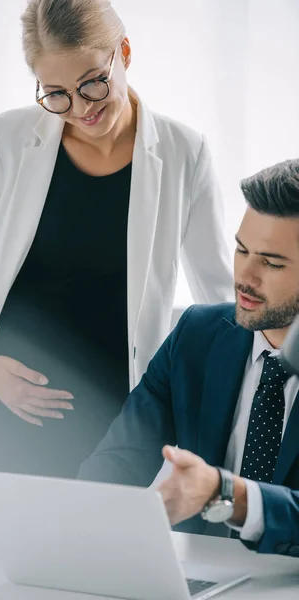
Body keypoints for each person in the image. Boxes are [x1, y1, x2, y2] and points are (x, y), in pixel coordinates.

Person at [0, 0, 232, 508]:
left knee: (102, 574)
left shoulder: (184, 152)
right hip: (3, 410)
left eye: (92, 81)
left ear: (124, 53)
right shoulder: (8, 137)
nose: (81, 108)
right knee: (0, 576)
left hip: (116, 423)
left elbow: (217, 293)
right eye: (57, 94)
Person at [79, 159, 299, 557]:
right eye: (241, 249)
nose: (245, 277)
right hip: (202, 577)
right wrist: (78, 517)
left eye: (271, 262)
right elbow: (123, 455)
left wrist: (229, 494)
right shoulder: (198, 333)